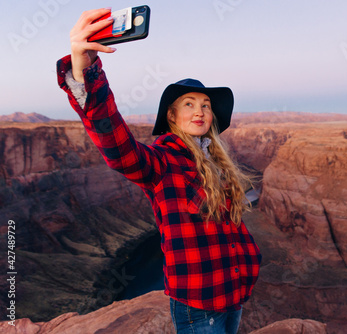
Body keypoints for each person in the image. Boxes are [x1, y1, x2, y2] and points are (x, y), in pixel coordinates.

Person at [57, 8, 262, 334]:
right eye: (189, 104)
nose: (200, 111)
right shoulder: (162, 161)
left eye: (206, 105)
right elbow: (118, 149)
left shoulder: (216, 162)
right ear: (171, 116)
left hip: (233, 295)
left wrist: (251, 258)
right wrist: (86, 70)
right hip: (199, 306)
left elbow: (228, 228)